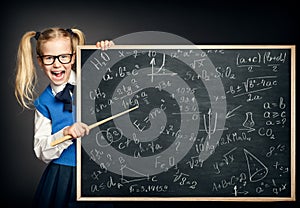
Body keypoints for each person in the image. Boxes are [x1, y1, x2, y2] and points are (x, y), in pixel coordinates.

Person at [14, 27, 114, 208]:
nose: (57, 64)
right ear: (40, 61)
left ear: (73, 57)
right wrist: (66, 133)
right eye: (49, 58)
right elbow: (42, 151)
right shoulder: (43, 102)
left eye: (64, 56)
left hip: (96, 174)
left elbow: (120, 81)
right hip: (62, 178)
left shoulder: (93, 79)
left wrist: (111, 53)